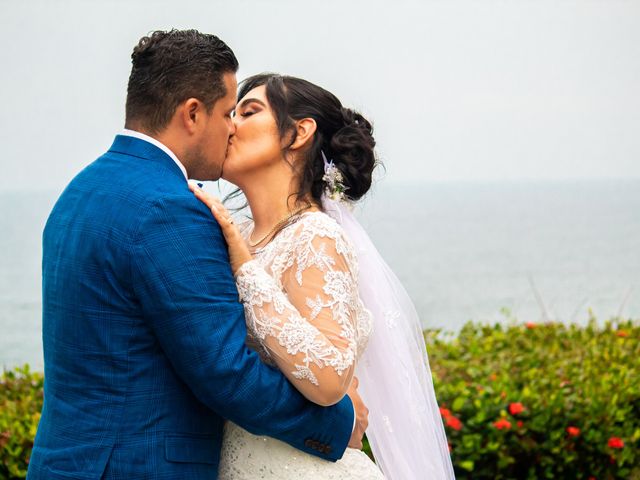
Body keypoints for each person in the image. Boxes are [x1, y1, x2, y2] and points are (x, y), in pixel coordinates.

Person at [27, 30, 367, 480]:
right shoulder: (168, 210)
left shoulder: (79, 193)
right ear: (192, 113)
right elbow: (224, 371)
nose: (231, 128)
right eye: (230, 112)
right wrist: (339, 421)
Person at [189, 73, 456, 479]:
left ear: (298, 133)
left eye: (249, 111)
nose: (230, 124)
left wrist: (245, 268)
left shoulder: (314, 236)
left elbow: (330, 376)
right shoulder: (236, 235)